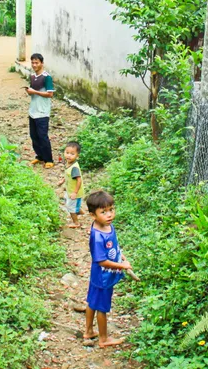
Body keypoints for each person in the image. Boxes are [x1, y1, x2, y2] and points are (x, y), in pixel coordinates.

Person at [84, 190, 137, 347]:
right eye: (103, 212)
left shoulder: (108, 226)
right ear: (93, 215)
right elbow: (101, 261)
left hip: (99, 276)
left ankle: (88, 331)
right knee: (101, 307)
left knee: (92, 301)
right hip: (102, 277)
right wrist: (122, 265)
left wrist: (121, 256)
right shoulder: (98, 236)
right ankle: (103, 339)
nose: (109, 215)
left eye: (111, 210)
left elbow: (113, 246)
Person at [26, 53, 55, 168]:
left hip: (42, 112)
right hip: (33, 110)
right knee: (34, 136)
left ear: (42, 63)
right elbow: (33, 92)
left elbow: (50, 94)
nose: (34, 65)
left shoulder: (47, 77)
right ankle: (40, 156)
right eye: (32, 62)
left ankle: (49, 160)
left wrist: (34, 92)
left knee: (43, 136)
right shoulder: (33, 76)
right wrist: (29, 92)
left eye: (36, 62)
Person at [57, 142, 84, 228]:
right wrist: (63, 180)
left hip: (74, 192)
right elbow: (68, 174)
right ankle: (79, 211)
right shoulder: (68, 163)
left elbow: (79, 180)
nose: (69, 155)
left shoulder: (74, 168)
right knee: (67, 200)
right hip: (70, 190)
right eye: (67, 152)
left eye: (72, 154)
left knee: (70, 208)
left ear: (77, 156)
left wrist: (75, 192)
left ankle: (76, 223)